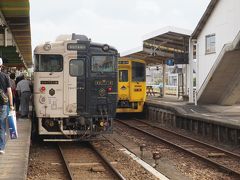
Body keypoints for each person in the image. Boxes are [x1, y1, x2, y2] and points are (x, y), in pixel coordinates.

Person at [0, 58, 14, 154]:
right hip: (3, 104)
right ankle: (1, 147)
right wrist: (11, 105)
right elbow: (9, 92)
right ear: (1, 66)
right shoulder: (5, 76)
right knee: (2, 126)